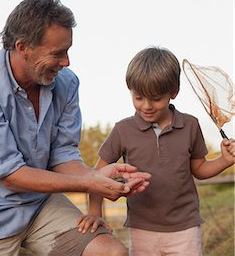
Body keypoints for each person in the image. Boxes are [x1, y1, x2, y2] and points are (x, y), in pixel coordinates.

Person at [0, 0, 151, 256]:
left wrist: (99, 177)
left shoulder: (66, 83)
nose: (66, 62)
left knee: (111, 252)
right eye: (57, 53)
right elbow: (12, 175)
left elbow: (63, 156)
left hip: (39, 207)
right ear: (22, 48)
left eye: (67, 51)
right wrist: (90, 184)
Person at [78, 47, 235, 256]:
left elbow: (199, 169)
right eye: (138, 97)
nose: (147, 106)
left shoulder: (190, 125)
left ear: (173, 92)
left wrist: (224, 160)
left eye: (156, 98)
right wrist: (95, 212)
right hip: (141, 227)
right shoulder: (123, 130)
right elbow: (98, 175)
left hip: (185, 227)